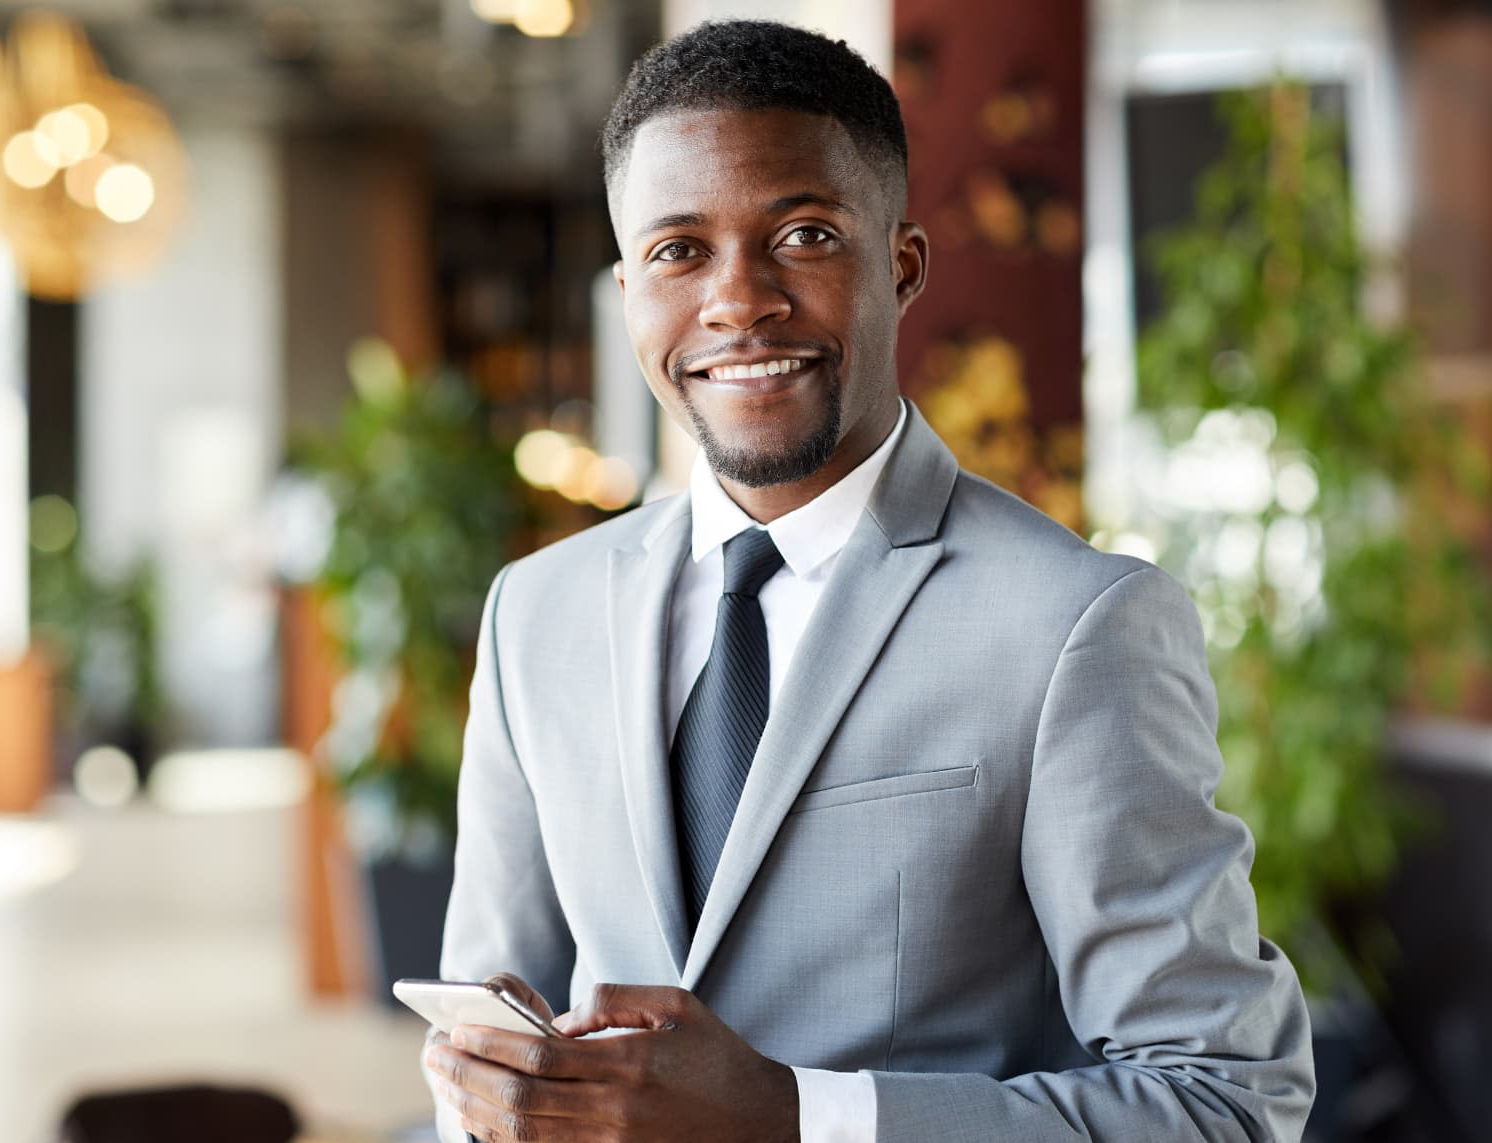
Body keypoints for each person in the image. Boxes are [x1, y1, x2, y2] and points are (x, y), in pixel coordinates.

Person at [422, 18, 1315, 1143]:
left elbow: (1220, 1102)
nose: (736, 301)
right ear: (627, 287)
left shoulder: (1075, 627)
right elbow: (488, 1033)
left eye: (799, 234)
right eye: (676, 250)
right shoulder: (533, 613)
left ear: (900, 262)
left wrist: (794, 1116)